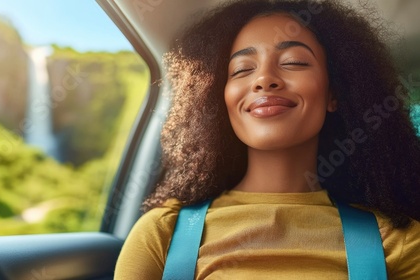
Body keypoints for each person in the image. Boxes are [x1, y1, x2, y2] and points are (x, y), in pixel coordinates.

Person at [114, 0, 420, 279]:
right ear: (220, 99)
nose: (264, 79)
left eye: (294, 62)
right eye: (242, 69)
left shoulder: (399, 243)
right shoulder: (162, 234)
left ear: (333, 93)